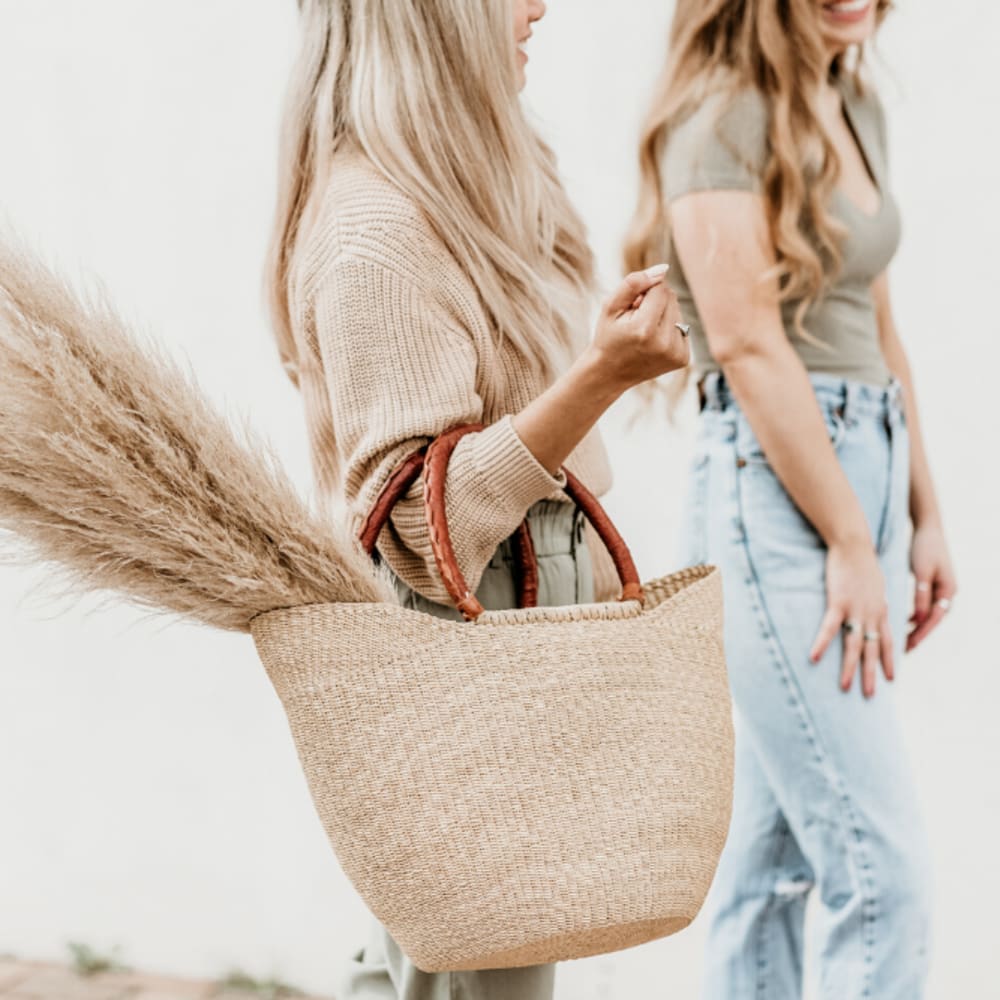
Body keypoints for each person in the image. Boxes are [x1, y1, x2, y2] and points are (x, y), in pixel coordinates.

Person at [265, 1, 690, 997]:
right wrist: (600, 375)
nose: (541, 5)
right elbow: (419, 526)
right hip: (475, 620)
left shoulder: (455, 187)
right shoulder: (375, 231)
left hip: (514, 607)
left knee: (437, 963)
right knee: (479, 972)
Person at [625, 1, 956, 997]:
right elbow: (746, 344)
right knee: (881, 873)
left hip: (857, 474)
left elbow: (876, 322)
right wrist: (851, 541)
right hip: (775, 498)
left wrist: (921, 511)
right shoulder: (722, 116)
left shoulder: (848, 98)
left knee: (768, 871)